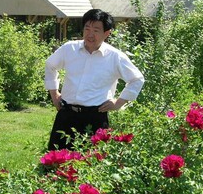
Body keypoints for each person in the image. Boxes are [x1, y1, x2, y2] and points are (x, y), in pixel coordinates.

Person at [45, 8, 144, 151]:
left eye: (96, 30)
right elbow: (50, 65)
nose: (90, 34)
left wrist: (118, 103)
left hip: (95, 118)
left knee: (92, 165)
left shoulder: (115, 57)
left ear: (107, 33)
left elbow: (137, 79)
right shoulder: (69, 49)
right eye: (87, 28)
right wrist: (54, 95)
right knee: (55, 163)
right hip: (66, 115)